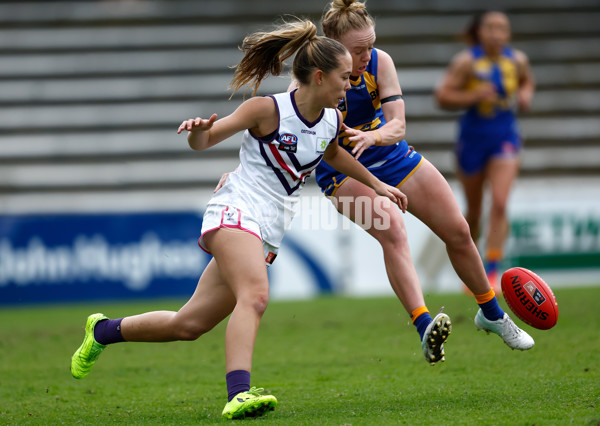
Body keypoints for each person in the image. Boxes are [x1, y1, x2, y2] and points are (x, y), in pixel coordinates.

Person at [69, 19, 408, 420]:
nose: (350, 85)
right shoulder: (267, 109)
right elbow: (206, 140)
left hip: (269, 226)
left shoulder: (333, 120)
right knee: (257, 295)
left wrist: (377, 185)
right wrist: (198, 130)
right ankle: (239, 393)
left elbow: (333, 155)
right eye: (343, 78)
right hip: (236, 209)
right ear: (319, 76)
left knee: (189, 324)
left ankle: (103, 331)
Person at [292, 0, 534, 359]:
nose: (366, 55)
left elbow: (398, 124)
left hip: (392, 155)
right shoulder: (312, 77)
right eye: (358, 50)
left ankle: (492, 314)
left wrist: (373, 137)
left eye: (370, 45)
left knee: (458, 231)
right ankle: (424, 326)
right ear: (333, 46)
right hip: (341, 169)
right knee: (392, 227)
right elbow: (299, 135)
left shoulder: (380, 62)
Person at [435, 11, 535, 292]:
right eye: (490, 27)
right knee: (475, 210)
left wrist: (526, 94)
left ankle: (493, 271)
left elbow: (527, 80)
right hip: (472, 139)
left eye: (501, 27)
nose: (496, 33)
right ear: (479, 32)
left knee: (501, 203)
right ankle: (474, 267)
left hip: (505, 135)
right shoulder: (466, 61)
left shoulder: (517, 60)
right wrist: (473, 96)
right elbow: (443, 95)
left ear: (508, 33)